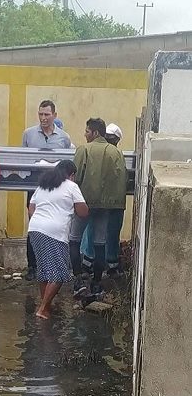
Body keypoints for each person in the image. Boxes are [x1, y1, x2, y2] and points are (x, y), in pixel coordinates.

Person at [70, 118, 127, 297]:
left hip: (84, 204)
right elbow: (120, 180)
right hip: (105, 206)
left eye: (87, 131)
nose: (85, 134)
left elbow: (75, 176)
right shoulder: (116, 153)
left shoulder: (83, 150)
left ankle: (78, 279)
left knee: (74, 239)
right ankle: (96, 283)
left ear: (95, 133)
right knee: (100, 242)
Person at [28, 160, 89, 319]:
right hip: (55, 232)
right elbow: (83, 212)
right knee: (60, 273)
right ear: (72, 175)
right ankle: (43, 308)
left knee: (44, 271)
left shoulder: (43, 185)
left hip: (35, 229)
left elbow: (31, 208)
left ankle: (46, 307)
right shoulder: (71, 186)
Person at [21, 100, 72, 281]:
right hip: (35, 188)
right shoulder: (28, 134)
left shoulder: (64, 138)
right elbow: (23, 161)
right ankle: (32, 266)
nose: (43, 118)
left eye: (47, 114)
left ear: (54, 116)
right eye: (41, 114)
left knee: (56, 225)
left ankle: (54, 265)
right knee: (34, 225)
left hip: (56, 189)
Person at [80, 123, 125, 277]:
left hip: (97, 200)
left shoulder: (90, 150)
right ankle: (105, 266)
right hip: (112, 202)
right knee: (103, 233)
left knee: (95, 232)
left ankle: (91, 264)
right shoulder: (116, 153)